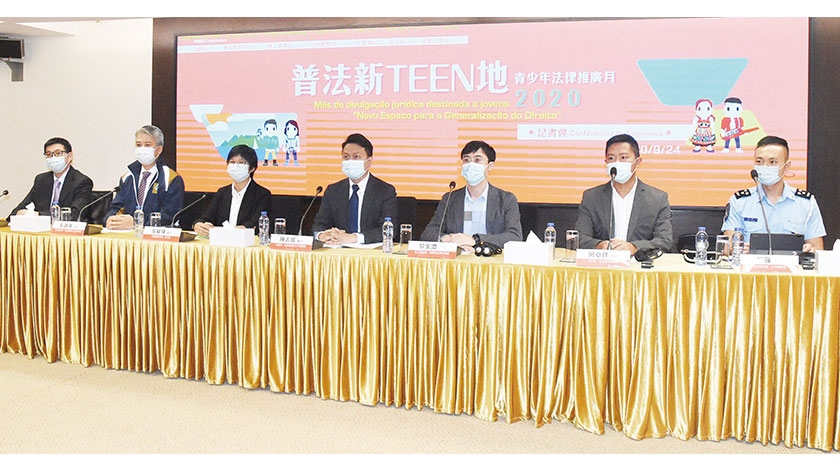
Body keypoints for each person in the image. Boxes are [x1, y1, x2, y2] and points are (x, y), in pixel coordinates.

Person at [722, 135, 825, 252]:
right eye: (759, 162)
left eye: (772, 162)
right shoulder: (739, 201)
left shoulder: (806, 203)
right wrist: (738, 249)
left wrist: (809, 250)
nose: (765, 167)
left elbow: (817, 249)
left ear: (786, 167)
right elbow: (727, 248)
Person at [575, 134, 673, 254]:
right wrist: (600, 245)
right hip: (603, 263)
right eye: (611, 158)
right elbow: (579, 238)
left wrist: (634, 247)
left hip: (638, 264)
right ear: (606, 162)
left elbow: (664, 241)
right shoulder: (591, 197)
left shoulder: (657, 199)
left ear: (637, 162)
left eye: (623, 157)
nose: (616, 163)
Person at [420, 140, 522, 248]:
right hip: (459, 257)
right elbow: (429, 233)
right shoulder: (450, 198)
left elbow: (514, 237)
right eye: (466, 160)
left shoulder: (506, 199)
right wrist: (445, 238)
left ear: (490, 166)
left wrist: (475, 240)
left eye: (477, 160)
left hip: (489, 256)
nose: (471, 165)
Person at [311, 133, 397, 244]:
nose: (350, 161)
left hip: (370, 252)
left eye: (356, 157)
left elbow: (388, 230)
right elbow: (319, 224)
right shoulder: (333, 191)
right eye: (346, 157)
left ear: (369, 162)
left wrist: (354, 238)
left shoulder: (385, 191)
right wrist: (322, 235)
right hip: (337, 251)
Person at [105, 125, 185, 228]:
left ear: (158, 150)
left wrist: (137, 223)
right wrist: (111, 220)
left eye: (147, 145)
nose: (142, 149)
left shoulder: (171, 179)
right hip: (128, 234)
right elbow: (116, 207)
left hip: (156, 234)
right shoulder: (127, 178)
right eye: (138, 145)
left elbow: (169, 215)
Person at [192, 144, 272, 236]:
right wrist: (197, 225)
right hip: (221, 242)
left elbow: (256, 224)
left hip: (246, 242)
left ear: (252, 168)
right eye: (232, 162)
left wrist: (234, 231)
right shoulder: (222, 193)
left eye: (241, 163)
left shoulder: (262, 194)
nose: (235, 166)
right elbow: (207, 217)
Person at [10, 137, 93, 220]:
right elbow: (21, 208)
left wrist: (38, 215)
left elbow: (74, 215)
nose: (53, 158)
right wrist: (15, 216)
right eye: (49, 154)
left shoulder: (82, 182)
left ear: (69, 156)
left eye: (58, 153)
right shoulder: (41, 180)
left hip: (66, 228)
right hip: (41, 227)